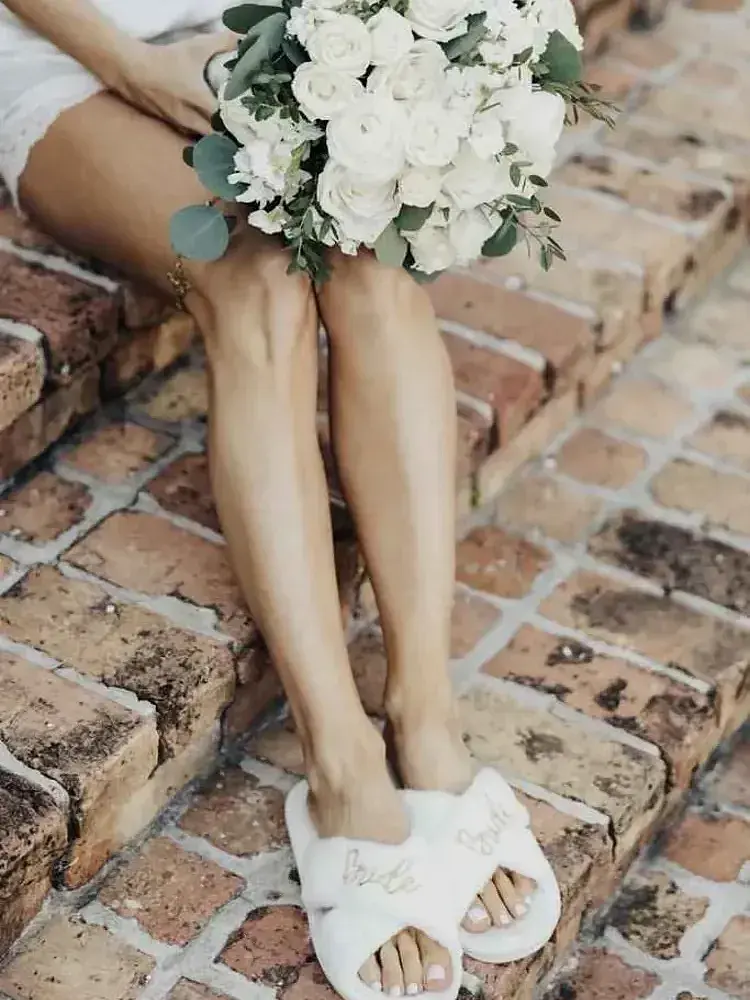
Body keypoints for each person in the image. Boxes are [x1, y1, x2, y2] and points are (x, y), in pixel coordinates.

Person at [0, 2, 547, 994]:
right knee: (253, 274)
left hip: (254, 29)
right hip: (62, 48)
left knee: (371, 243)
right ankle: (341, 767)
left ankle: (425, 715)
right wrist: (128, 62)